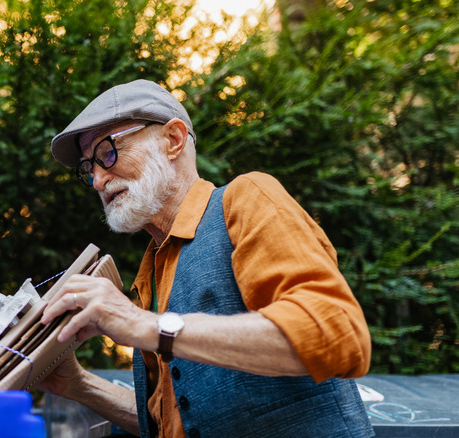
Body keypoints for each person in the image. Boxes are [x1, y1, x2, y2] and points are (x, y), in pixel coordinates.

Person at [39, 79, 374, 437]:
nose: (98, 180)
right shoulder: (152, 267)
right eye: (89, 167)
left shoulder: (245, 198)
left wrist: (145, 325)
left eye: (108, 152)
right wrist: (78, 385)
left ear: (173, 140)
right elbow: (179, 424)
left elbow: (340, 335)